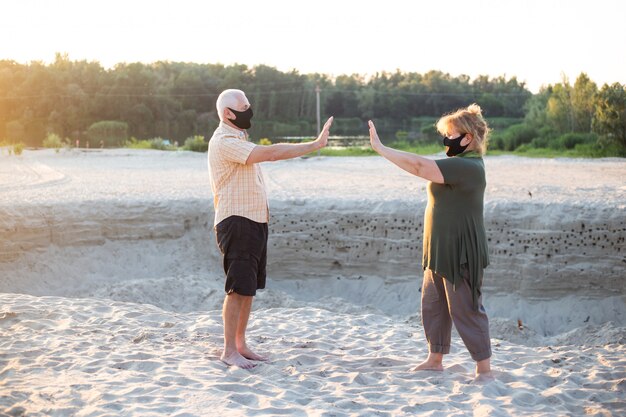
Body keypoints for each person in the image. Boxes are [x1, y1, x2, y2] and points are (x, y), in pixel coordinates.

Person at [208, 89, 333, 369]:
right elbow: (273, 153)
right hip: (236, 221)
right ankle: (229, 351)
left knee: (248, 288)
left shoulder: (238, 138)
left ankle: (240, 344)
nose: (249, 109)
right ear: (228, 113)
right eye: (244, 106)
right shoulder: (225, 140)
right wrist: (314, 145)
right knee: (237, 289)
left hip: (253, 221)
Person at [368, 104, 492, 380]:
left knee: (466, 309)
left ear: (468, 138)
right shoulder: (457, 164)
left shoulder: (468, 167)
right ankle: (435, 359)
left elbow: (419, 165)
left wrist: (381, 148)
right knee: (433, 305)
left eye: (451, 134)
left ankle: (484, 368)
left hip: (460, 250)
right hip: (437, 248)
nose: (446, 140)